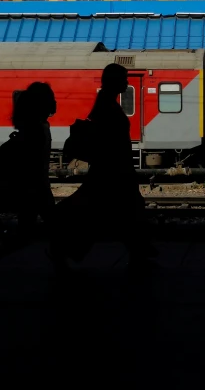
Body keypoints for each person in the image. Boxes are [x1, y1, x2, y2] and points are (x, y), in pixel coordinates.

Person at [48, 63, 157, 269]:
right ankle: (138, 252)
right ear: (114, 81)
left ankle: (138, 252)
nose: (126, 82)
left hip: (112, 170)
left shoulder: (106, 102)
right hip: (112, 171)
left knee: (113, 214)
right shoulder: (107, 105)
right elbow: (109, 141)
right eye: (123, 78)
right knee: (110, 214)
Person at [0, 82, 60, 286]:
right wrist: (42, 192)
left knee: (31, 235)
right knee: (51, 231)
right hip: (35, 191)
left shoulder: (32, 127)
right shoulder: (37, 130)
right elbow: (34, 166)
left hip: (33, 190)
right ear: (42, 104)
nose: (54, 102)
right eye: (50, 98)